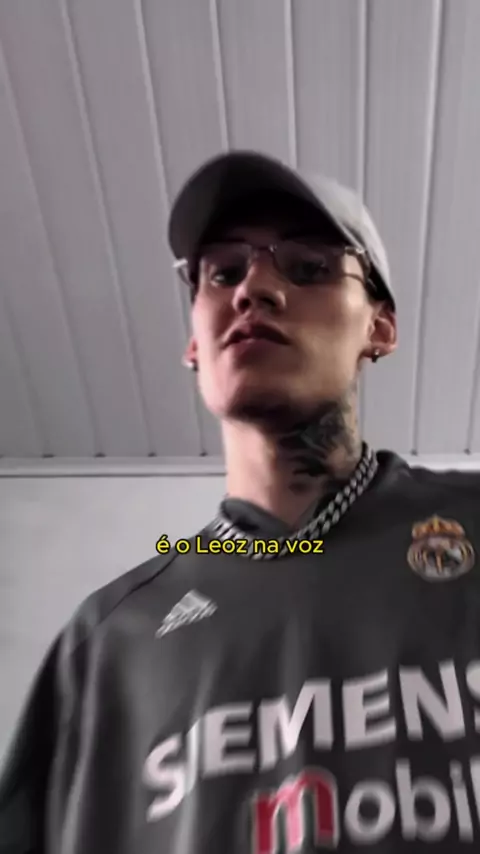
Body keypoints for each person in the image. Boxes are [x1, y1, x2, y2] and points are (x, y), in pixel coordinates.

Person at [1, 150, 480, 854]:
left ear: (379, 327)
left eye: (309, 267)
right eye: (223, 273)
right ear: (195, 343)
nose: (255, 288)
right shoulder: (107, 644)